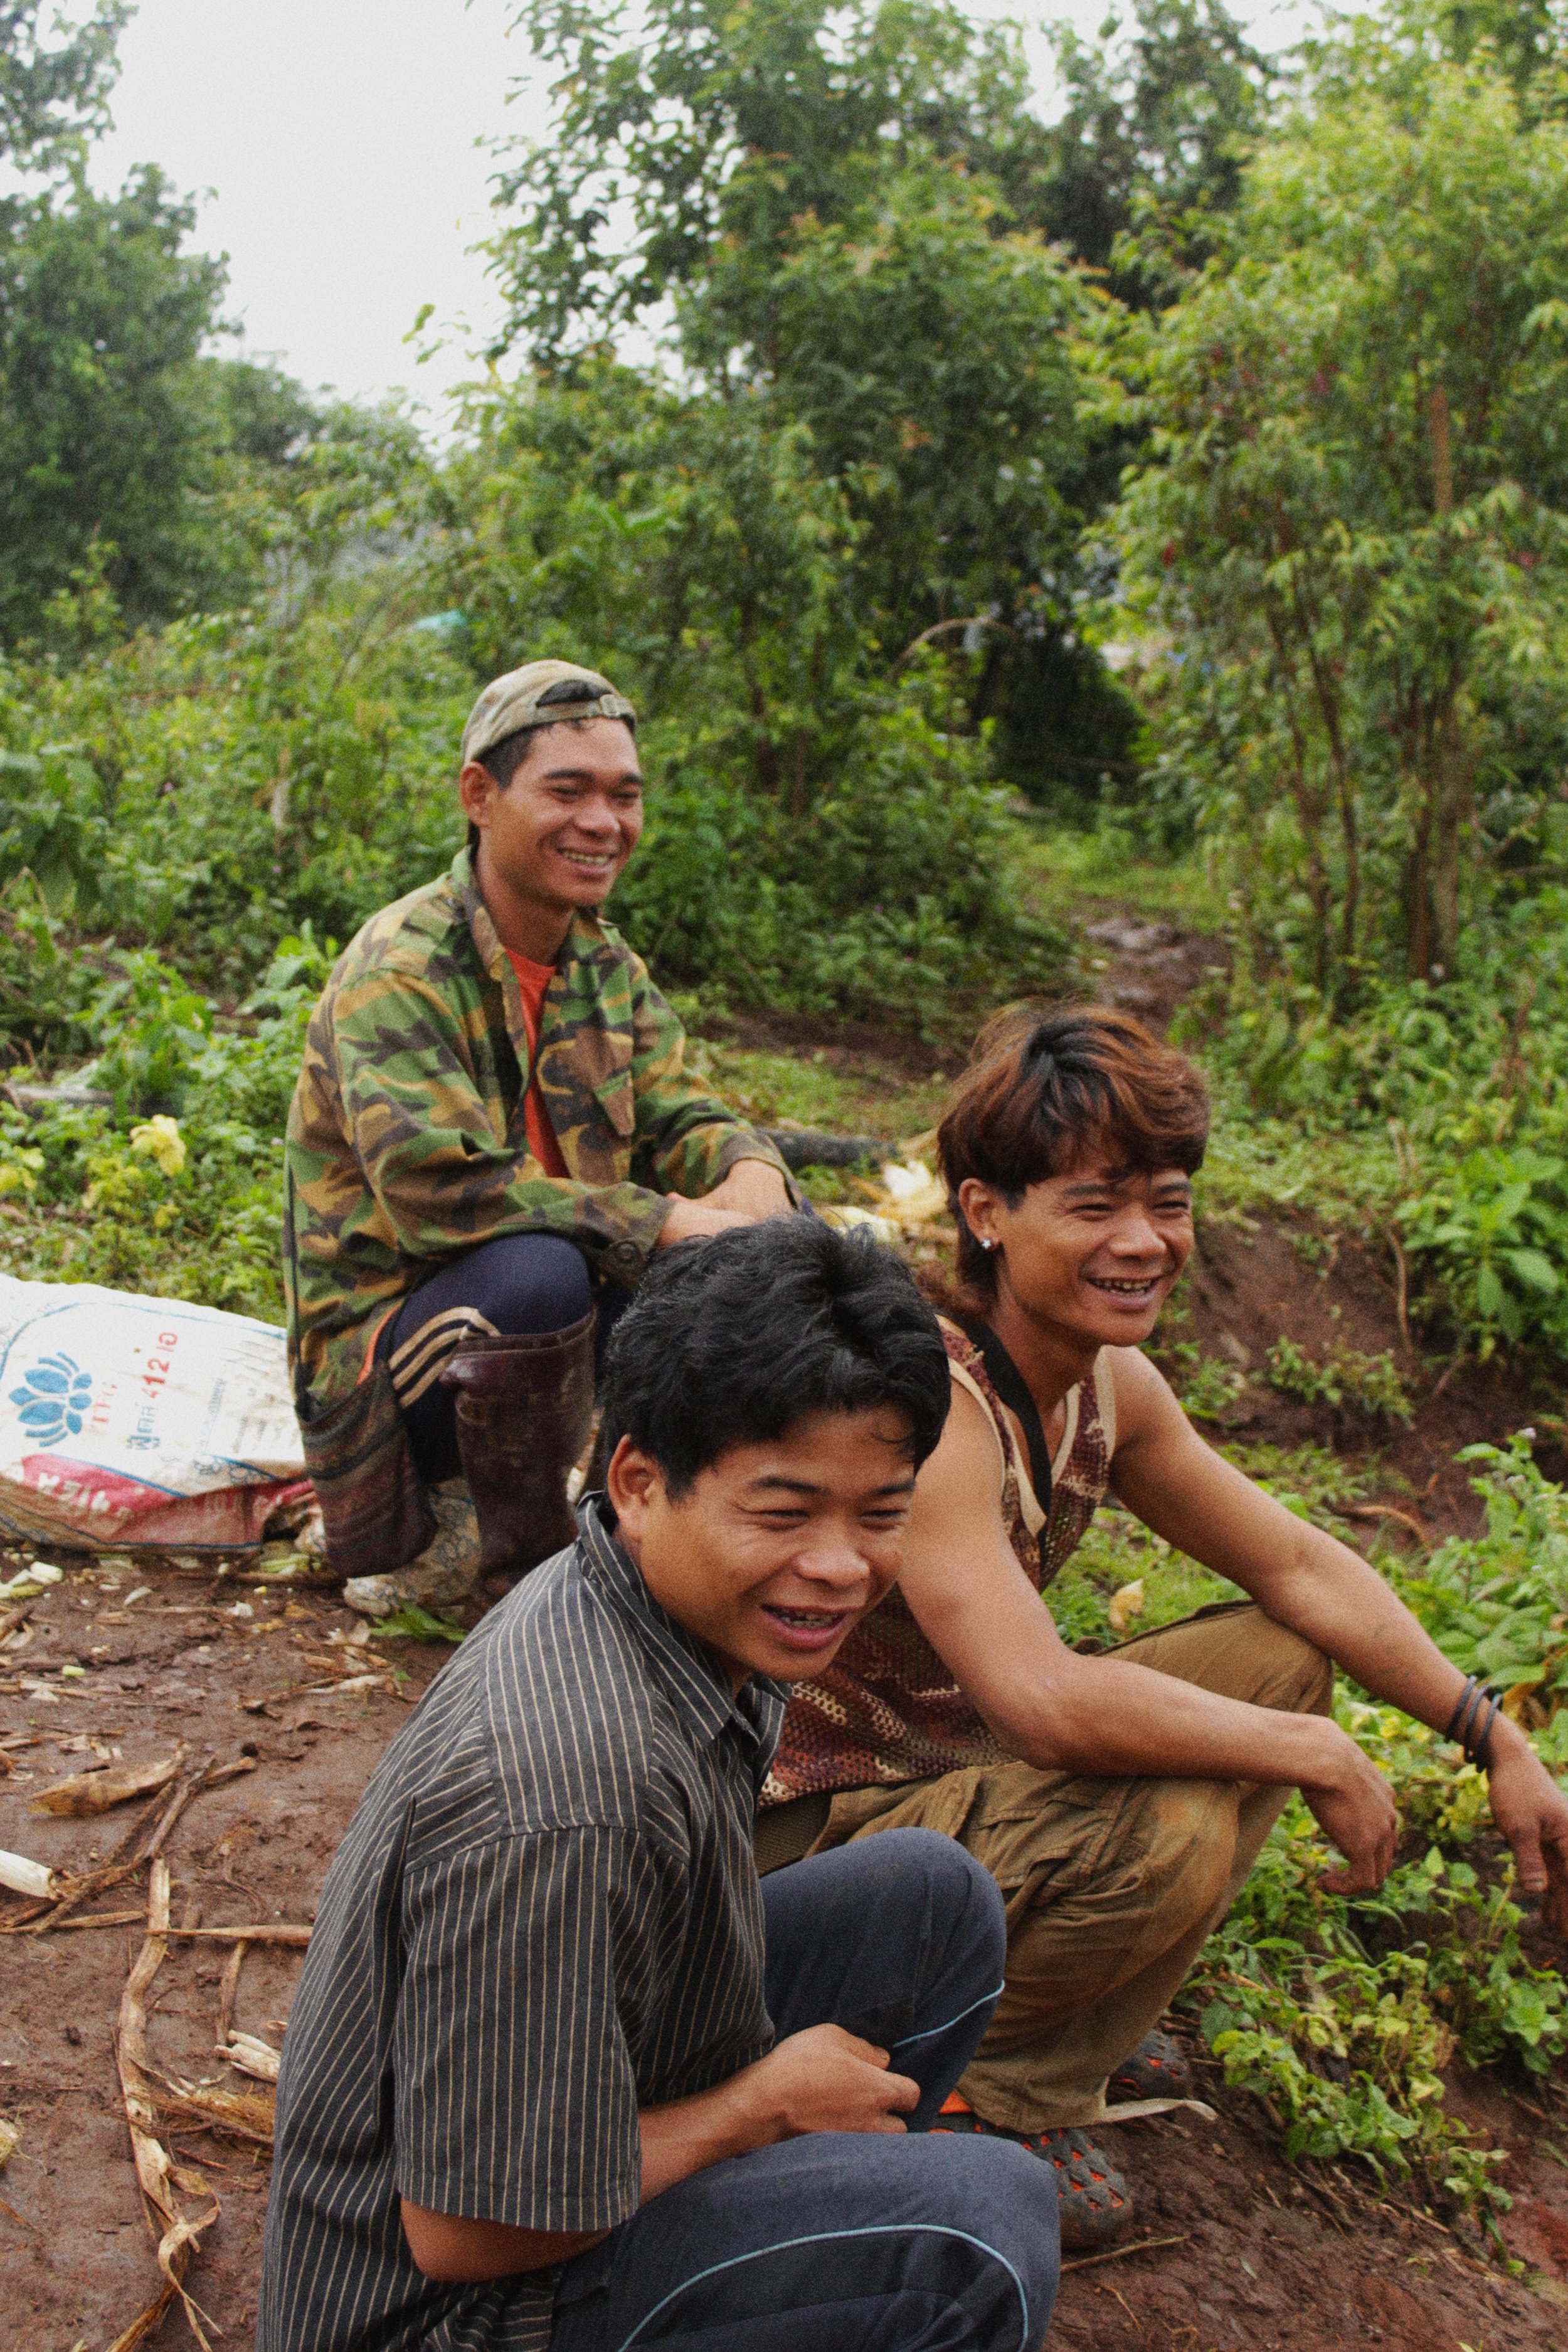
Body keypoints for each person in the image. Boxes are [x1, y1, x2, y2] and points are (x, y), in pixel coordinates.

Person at [757, 1003, 1568, 2247]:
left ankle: (1067, 2014)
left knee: (1281, 1658)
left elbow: (1297, 1566)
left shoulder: (1105, 1385)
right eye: (1093, 1206)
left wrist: (1489, 1733)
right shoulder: (935, 1406)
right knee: (1175, 1827)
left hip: (941, 1782)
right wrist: (1311, 1753)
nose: (1141, 1242)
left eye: (1167, 1203)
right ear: (986, 1213)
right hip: (804, 1846)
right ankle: (984, 2085)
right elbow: (1042, 1702)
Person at [257, 1217, 1059, 2352]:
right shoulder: (571, 1793)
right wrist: (756, 2110)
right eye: (783, 1512)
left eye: (881, 1512)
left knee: (932, 1903)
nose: (840, 1566)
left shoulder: (684, 1612)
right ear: (639, 1481)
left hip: (578, 2119)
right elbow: (461, 2231)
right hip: (456, 2312)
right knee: (978, 2230)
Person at [283, 658, 796, 1613]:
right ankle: (482, 1562)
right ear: (480, 795)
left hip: (545, 1329)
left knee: (746, 1252)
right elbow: (441, 1194)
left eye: (624, 796)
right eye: (568, 791)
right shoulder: (403, 968)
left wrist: (750, 1171)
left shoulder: (603, 963)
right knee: (541, 1273)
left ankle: (632, 1535)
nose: (603, 822)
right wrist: (671, 1222)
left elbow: (686, 1110)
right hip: (395, 1355)